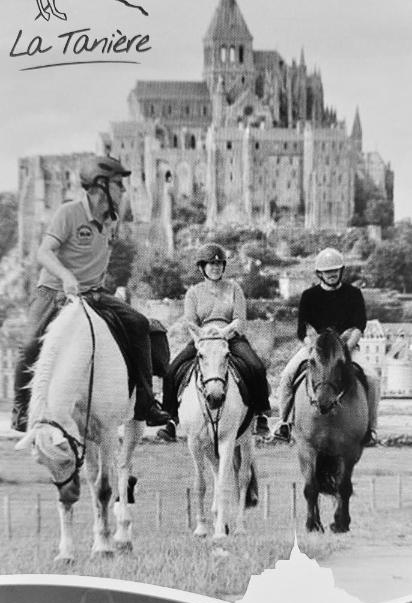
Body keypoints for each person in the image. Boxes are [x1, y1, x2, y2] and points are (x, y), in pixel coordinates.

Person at [11, 155, 170, 432]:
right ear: (100, 187)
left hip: (93, 293)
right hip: (53, 291)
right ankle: (22, 412)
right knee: (29, 345)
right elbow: (43, 253)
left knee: (140, 325)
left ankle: (146, 403)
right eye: (118, 184)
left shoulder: (111, 221)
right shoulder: (69, 213)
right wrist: (66, 276)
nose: (123, 190)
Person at [157, 242, 271, 442]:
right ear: (202, 268)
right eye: (211, 264)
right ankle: (170, 419)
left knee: (256, 367)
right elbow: (191, 323)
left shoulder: (234, 288)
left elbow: (239, 320)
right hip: (203, 340)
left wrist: (224, 333)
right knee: (172, 371)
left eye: (219, 265)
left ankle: (261, 414)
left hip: (231, 338)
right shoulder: (193, 292)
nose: (216, 268)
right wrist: (202, 340)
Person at [273, 247, 379, 446]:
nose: (332, 275)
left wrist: (345, 348)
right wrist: (312, 347)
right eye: (327, 272)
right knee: (287, 376)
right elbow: (302, 329)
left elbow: (359, 326)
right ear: (319, 273)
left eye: (335, 271)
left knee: (372, 378)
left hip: (346, 346)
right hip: (315, 348)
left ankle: (371, 428)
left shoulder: (354, 294)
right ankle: (283, 423)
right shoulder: (309, 296)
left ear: (341, 271)